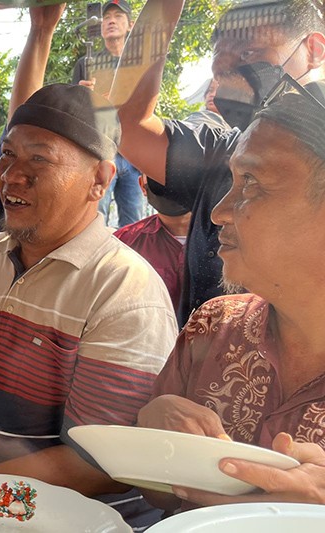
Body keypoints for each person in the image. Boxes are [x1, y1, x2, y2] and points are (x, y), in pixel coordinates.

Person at [0, 83, 178, 529]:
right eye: (8, 154)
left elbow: (100, 467)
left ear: (100, 181)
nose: (12, 175)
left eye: (40, 158)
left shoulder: (124, 291)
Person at [138, 81, 325, 510]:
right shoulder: (215, 324)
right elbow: (157, 494)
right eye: (233, 180)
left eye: (253, 183)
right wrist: (152, 438)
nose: (219, 211)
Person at [112, 0, 325, 324]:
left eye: (248, 55)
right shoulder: (217, 153)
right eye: (221, 70)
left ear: (313, 49)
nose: (222, 213)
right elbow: (129, 124)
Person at [72, 0, 144, 229]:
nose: (111, 21)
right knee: (95, 217)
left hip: (133, 155)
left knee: (135, 222)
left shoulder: (139, 63)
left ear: (130, 24)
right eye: (107, 17)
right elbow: (73, 112)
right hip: (101, 151)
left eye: (118, 16)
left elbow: (147, 107)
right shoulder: (87, 63)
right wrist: (82, 97)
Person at [115, 176, 190, 314]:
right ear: (142, 185)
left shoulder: (232, 241)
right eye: (158, 175)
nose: (170, 180)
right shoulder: (123, 244)